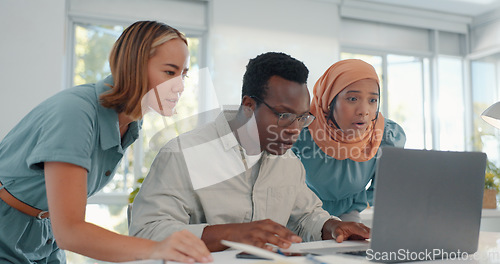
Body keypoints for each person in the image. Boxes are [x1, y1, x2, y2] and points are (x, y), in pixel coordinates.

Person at [0, 21, 212, 264]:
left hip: (44, 241)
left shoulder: (131, 122)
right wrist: (157, 248)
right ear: (134, 67)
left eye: (183, 74)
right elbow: (70, 231)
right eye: (169, 72)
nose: (180, 86)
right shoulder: (75, 113)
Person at [129, 52, 370, 252]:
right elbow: (146, 230)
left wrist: (331, 227)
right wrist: (229, 234)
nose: (295, 130)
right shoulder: (183, 154)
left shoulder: (287, 162)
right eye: (284, 116)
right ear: (248, 106)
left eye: (302, 118)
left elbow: (306, 216)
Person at [293, 59, 406, 222]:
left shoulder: (385, 135)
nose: (364, 111)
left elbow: (383, 191)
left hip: (350, 218)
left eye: (372, 100)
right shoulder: (302, 131)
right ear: (329, 101)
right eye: (353, 99)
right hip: (302, 218)